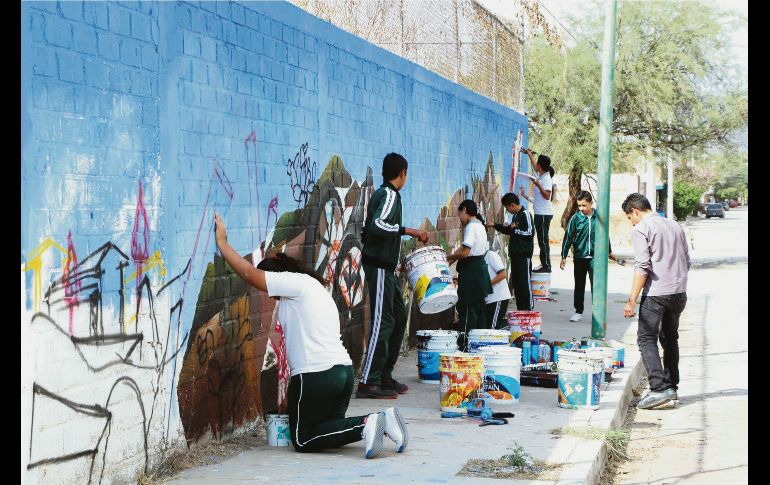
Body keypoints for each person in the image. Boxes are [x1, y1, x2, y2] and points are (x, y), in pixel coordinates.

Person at [213, 213, 409, 458]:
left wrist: (222, 243)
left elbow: (249, 274)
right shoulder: (311, 287)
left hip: (317, 376)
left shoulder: (293, 284)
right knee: (328, 433)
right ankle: (385, 420)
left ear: (277, 276)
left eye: (268, 289)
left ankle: (368, 423)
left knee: (304, 439)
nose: (268, 295)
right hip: (342, 373)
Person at [358, 153, 429, 399]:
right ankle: (368, 381)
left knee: (398, 316)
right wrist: (408, 230)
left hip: (386, 267)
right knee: (382, 322)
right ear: (403, 174)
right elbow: (377, 225)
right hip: (377, 267)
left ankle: (384, 374)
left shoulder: (389, 195)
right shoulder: (389, 194)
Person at [621, 193, 691, 410]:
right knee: (670, 338)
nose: (630, 221)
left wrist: (631, 299)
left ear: (635, 211)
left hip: (656, 294)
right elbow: (687, 260)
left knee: (646, 339)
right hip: (679, 292)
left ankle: (658, 389)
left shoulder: (641, 229)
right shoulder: (675, 225)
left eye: (629, 217)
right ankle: (671, 388)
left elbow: (642, 266)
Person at [560, 191, 623, 322]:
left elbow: (606, 235)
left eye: (584, 205)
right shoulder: (575, 219)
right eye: (579, 206)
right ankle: (578, 311)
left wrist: (609, 252)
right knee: (579, 285)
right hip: (579, 257)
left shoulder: (599, 217)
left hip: (596, 258)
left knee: (597, 286)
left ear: (591, 203)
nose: (582, 208)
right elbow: (568, 237)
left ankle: (597, 312)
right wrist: (564, 256)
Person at [446, 200, 493, 351]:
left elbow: (465, 252)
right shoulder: (480, 225)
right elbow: (463, 248)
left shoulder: (471, 227)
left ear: (464, 210)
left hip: (471, 271)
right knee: (479, 311)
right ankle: (480, 346)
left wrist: (447, 257)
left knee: (467, 310)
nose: (460, 217)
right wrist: (451, 261)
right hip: (479, 269)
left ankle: (465, 345)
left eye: (459, 213)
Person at [486, 193, 534, 311]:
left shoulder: (525, 214)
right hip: (515, 256)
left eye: (507, 208)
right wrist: (495, 225)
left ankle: (528, 311)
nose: (507, 211)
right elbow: (509, 230)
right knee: (517, 285)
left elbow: (530, 232)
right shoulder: (516, 216)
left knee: (524, 285)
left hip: (524, 256)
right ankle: (520, 310)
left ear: (512, 205)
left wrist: (515, 230)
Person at [519, 148, 555, 273]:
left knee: (543, 240)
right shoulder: (541, 174)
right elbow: (534, 166)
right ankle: (544, 263)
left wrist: (538, 184)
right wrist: (529, 154)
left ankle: (546, 265)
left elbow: (547, 196)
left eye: (537, 164)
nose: (535, 166)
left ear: (540, 166)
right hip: (540, 213)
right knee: (541, 240)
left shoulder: (546, 179)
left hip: (544, 215)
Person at [484, 248, 512, 329]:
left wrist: (487, 285)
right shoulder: (476, 259)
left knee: (493, 328)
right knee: (489, 326)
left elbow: (503, 274)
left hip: (497, 297)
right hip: (488, 299)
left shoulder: (491, 255)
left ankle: (514, 328)